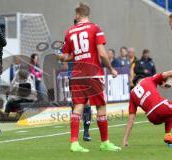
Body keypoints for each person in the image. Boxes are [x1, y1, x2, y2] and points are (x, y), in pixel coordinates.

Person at [59, 2, 121, 152]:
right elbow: (102, 54)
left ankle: (74, 143)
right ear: (88, 14)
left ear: (78, 15)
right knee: (100, 106)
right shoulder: (95, 28)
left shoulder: (69, 32)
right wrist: (111, 68)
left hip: (77, 75)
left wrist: (59, 57)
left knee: (78, 107)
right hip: (93, 74)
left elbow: (66, 56)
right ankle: (104, 142)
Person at [123, 70, 172, 147]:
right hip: (160, 107)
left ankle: (168, 138)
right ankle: (168, 135)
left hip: (152, 117)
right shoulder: (148, 79)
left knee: (169, 116)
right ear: (143, 79)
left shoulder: (132, 95)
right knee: (168, 107)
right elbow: (166, 74)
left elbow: (131, 120)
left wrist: (125, 140)